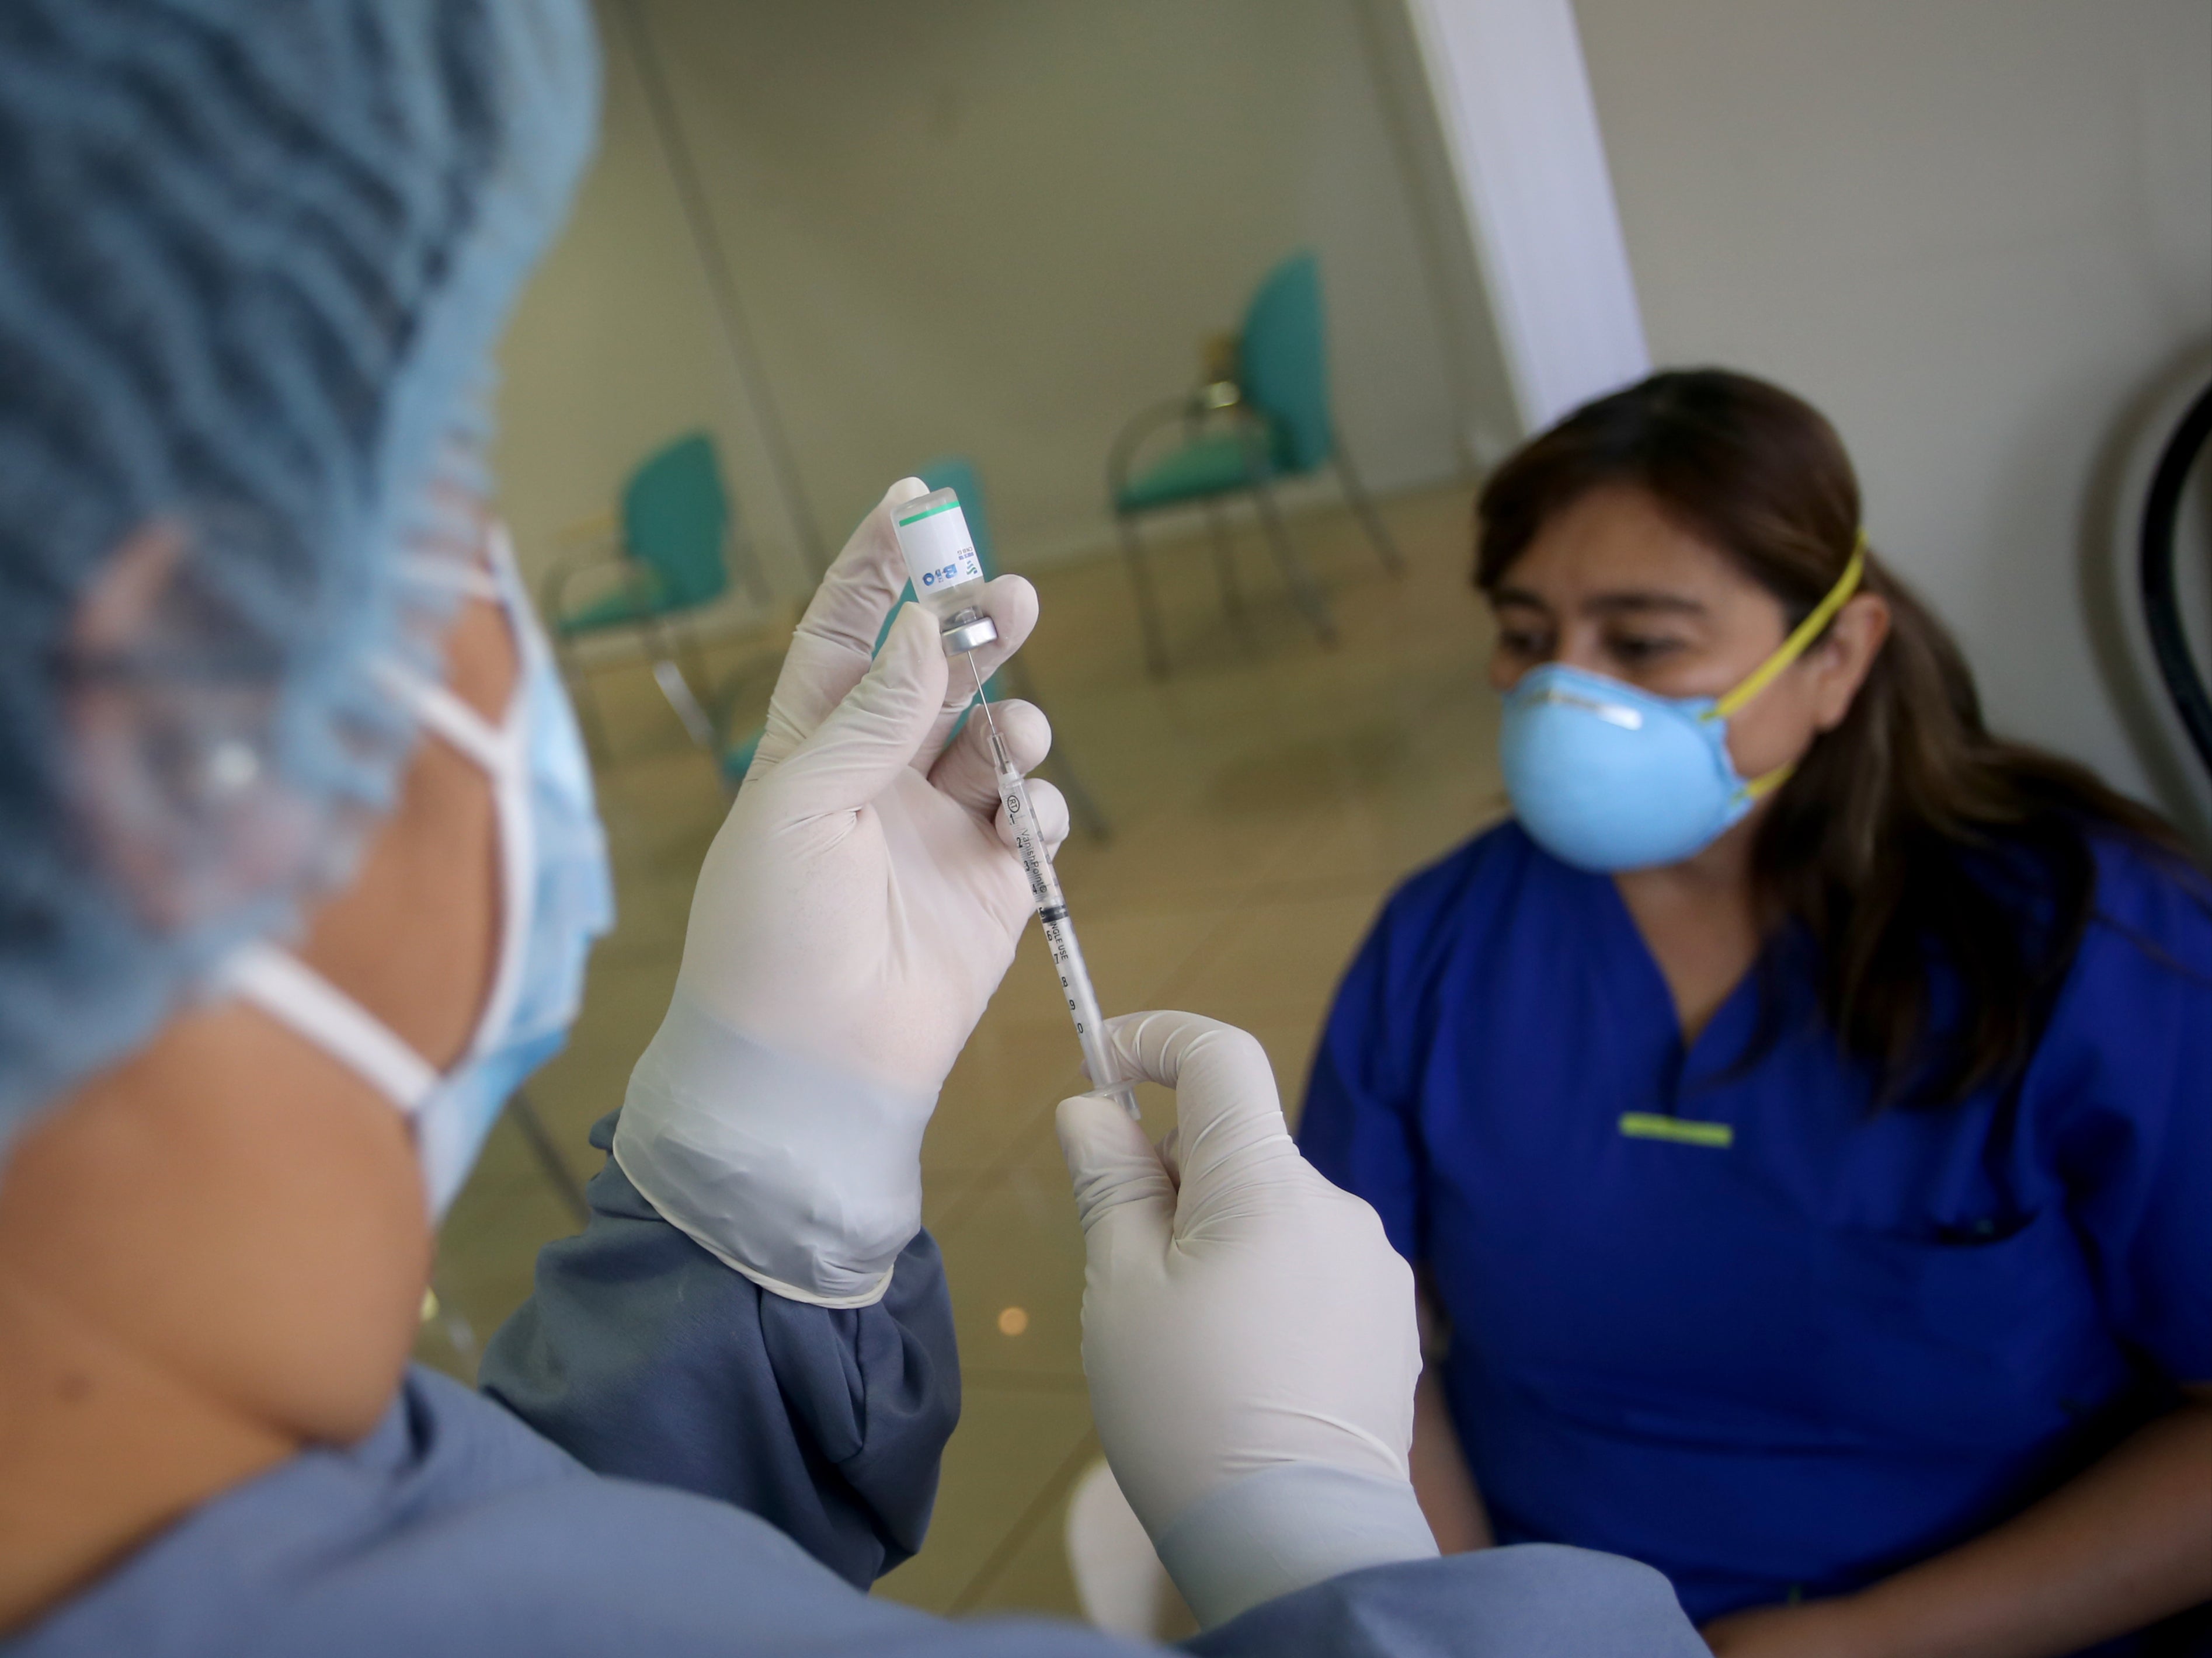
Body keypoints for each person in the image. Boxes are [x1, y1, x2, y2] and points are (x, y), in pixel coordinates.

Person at [0, 6, 1707, 1654]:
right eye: (454, 514)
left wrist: (768, 1163)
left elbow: (542, 1582)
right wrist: (1313, 1534)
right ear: (190, 716)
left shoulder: (181, 1482)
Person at [1298, 369, 2212, 1656]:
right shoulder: (1439, 951)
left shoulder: (2089, 948)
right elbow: (1346, 1364)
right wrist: (1480, 1623)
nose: (1563, 693)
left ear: (1834, 657)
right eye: (1523, 632)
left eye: (1644, 642)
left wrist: (1869, 1639)